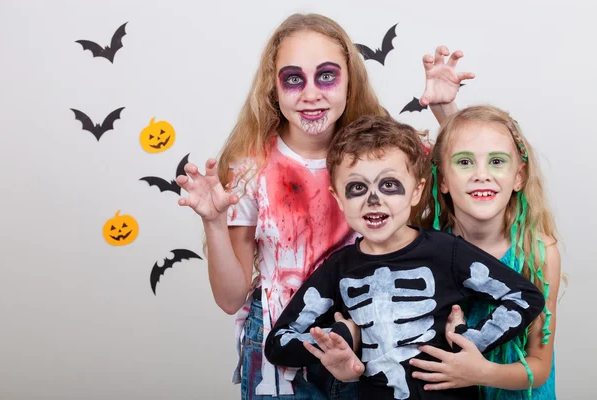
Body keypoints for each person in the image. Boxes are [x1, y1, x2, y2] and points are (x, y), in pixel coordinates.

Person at [176, 11, 474, 398]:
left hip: (368, 339)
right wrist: (214, 222)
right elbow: (231, 298)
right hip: (280, 350)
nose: (311, 93)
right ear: (273, 88)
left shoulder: (384, 152)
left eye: (327, 76)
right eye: (294, 79)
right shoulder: (252, 169)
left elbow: (466, 187)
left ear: (350, 81)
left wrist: (445, 112)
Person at [263, 114, 546, 400]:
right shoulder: (339, 269)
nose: (374, 200)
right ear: (338, 198)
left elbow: (525, 297)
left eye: (389, 185)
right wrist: (339, 339)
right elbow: (277, 344)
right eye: (357, 188)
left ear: (416, 191)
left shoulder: (445, 251)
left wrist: (470, 341)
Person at [408, 105, 562, 399]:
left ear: (519, 177)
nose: (482, 175)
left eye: (496, 161)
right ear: (442, 180)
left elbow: (539, 366)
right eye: (465, 162)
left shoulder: (538, 253)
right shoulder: (423, 251)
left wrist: (479, 373)